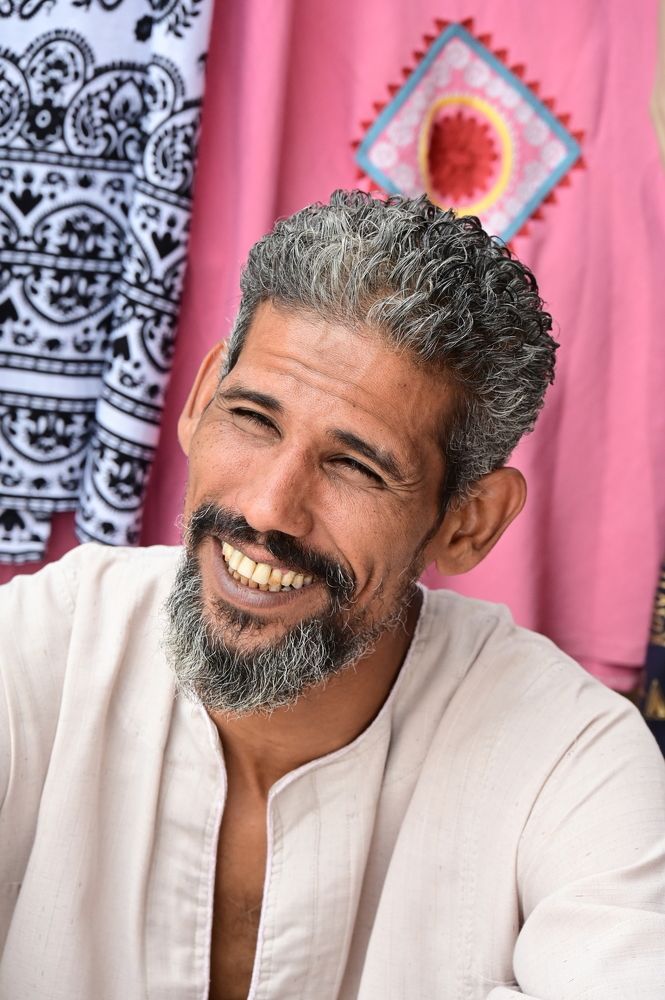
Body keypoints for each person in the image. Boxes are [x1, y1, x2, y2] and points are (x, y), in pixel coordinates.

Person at [1, 191, 663, 1000]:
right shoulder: (42, 650)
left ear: (468, 523)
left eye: (355, 466)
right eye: (251, 419)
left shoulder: (569, 757)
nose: (267, 509)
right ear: (202, 396)